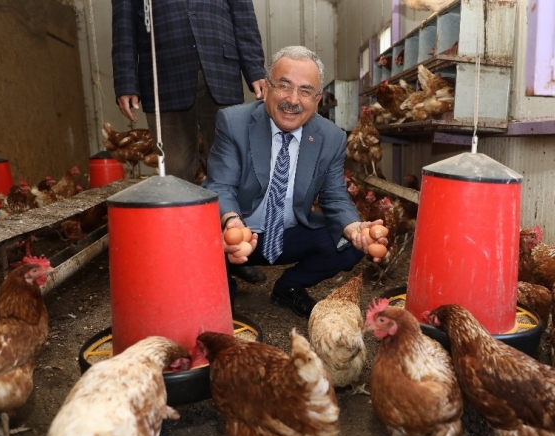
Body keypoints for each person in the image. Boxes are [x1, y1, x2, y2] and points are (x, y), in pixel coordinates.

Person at [203, 46, 387, 318]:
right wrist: (231, 222)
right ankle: (224, 281)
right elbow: (221, 185)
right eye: (284, 86)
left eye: (305, 91)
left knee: (347, 244)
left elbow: (334, 196)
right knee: (202, 257)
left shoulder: (332, 137)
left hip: (289, 235)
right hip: (238, 236)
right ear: (266, 87)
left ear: (317, 99)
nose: (293, 99)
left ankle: (289, 287)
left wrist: (354, 227)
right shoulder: (234, 122)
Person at [111, 0, 268, 284]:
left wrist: (255, 66)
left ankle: (233, 254)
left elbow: (242, 12)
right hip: (163, 76)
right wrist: (125, 80)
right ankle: (186, 260)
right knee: (175, 173)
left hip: (222, 67)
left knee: (231, 169)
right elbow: (124, 22)